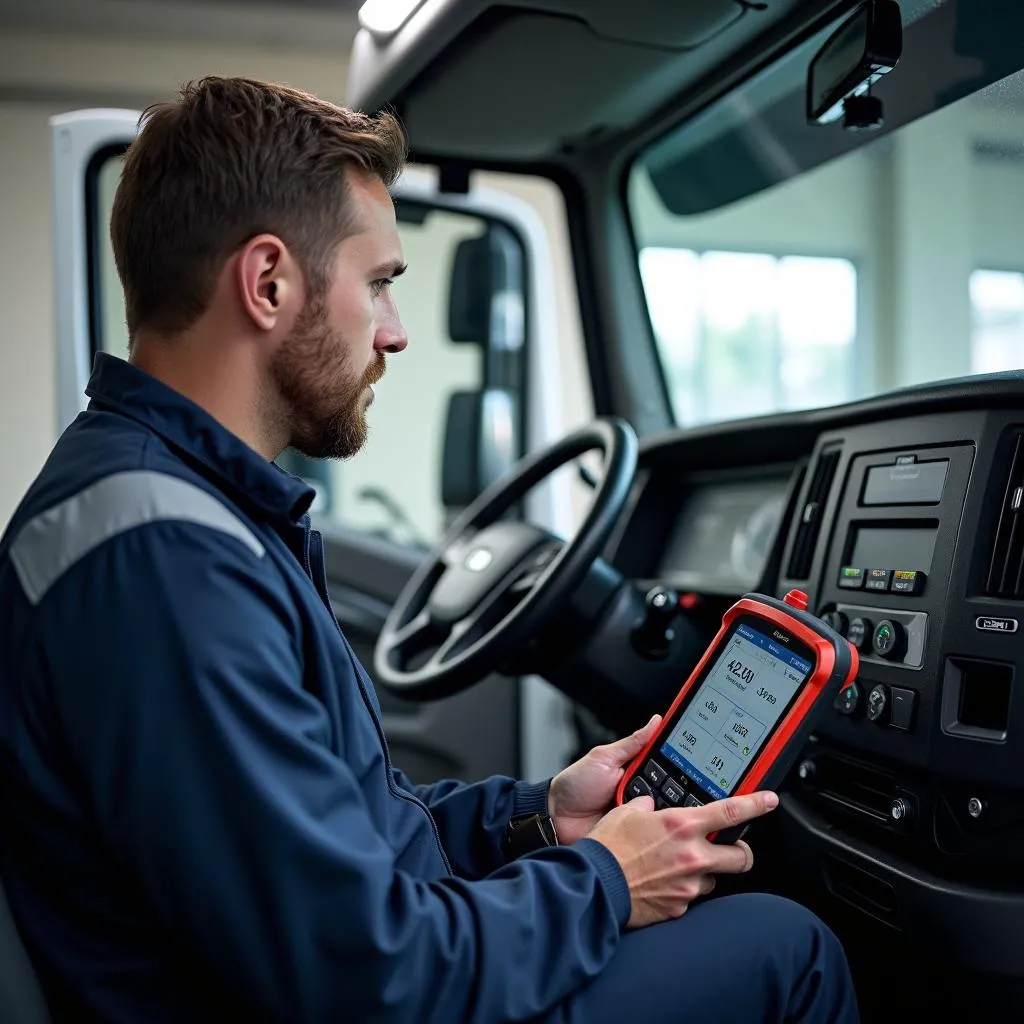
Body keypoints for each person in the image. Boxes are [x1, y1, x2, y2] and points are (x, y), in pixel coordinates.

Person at [0, 77, 858, 1024]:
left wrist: (543, 819)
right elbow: (367, 977)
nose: (395, 333)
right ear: (269, 282)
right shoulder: (168, 568)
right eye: (377, 286)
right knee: (789, 948)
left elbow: (348, 842)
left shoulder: (171, 505)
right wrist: (608, 881)